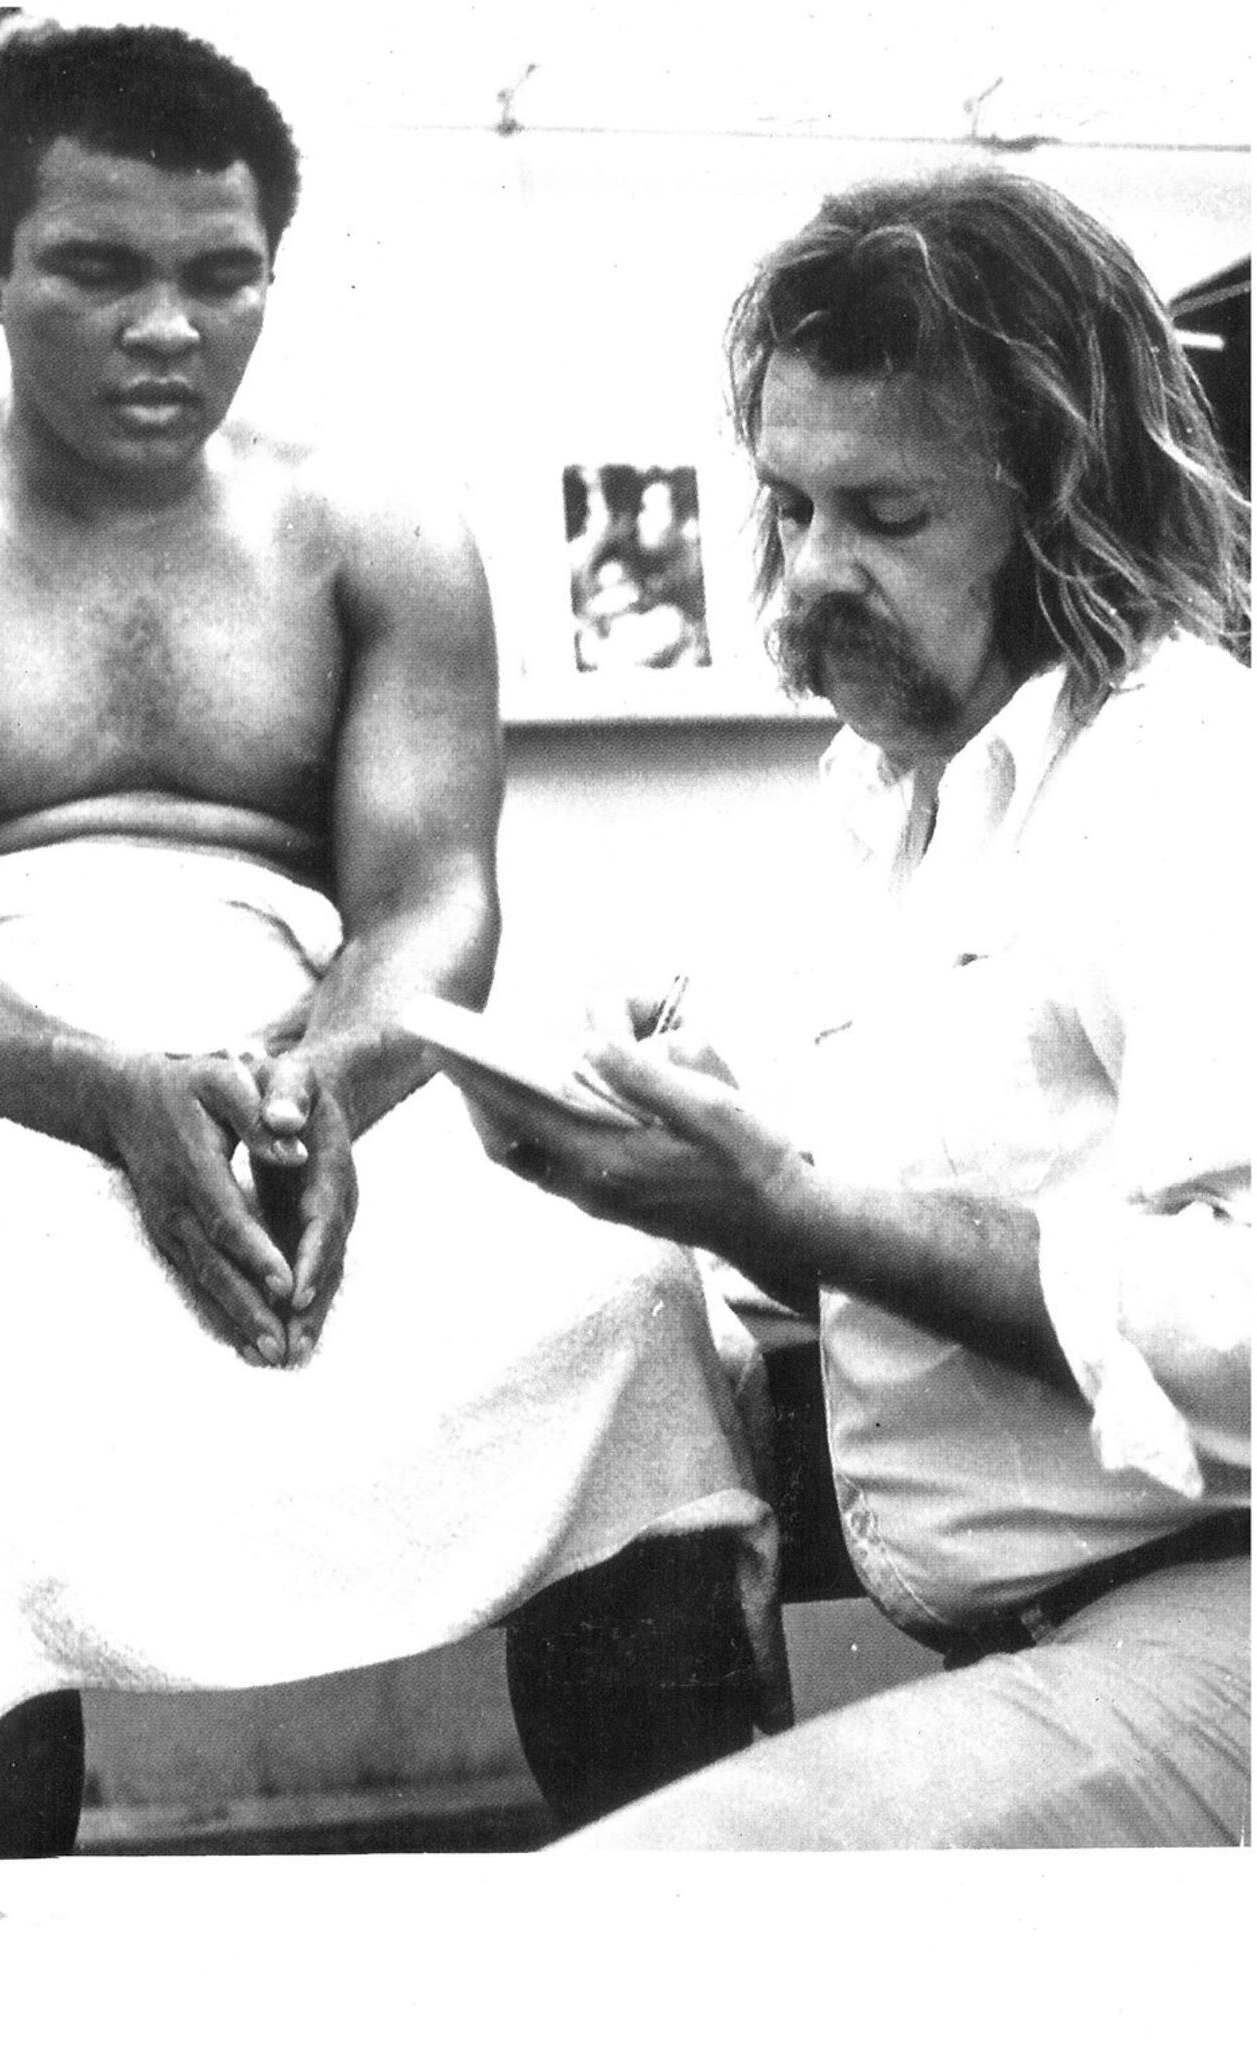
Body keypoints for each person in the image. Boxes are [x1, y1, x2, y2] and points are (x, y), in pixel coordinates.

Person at [0, 24, 779, 1861]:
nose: (166, 329)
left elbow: (432, 900)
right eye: (96, 270)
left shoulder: (374, 522)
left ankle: (700, 1902)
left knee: (624, 1302)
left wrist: (329, 1080)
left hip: (321, 1042)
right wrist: (107, 1096)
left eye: (217, 277)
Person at [440, 166, 1251, 1847]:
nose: (813, 573)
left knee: (643, 1909)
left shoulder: (1179, 776)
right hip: (1027, 1628)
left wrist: (797, 1205)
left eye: (889, 521)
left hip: (1215, 1615)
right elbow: (868, 1212)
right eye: (793, 506)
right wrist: (659, 1145)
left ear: (1064, 503)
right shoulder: (888, 786)